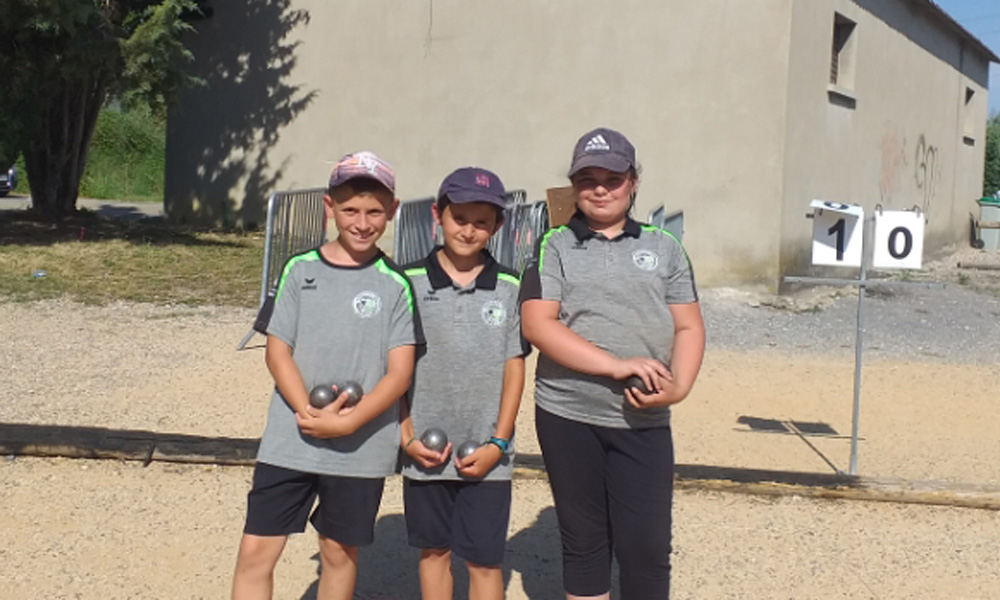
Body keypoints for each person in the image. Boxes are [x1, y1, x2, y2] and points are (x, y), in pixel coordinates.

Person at [520, 128, 705, 600]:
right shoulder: (554, 245)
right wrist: (615, 366)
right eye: (588, 179)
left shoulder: (664, 247)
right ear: (573, 184)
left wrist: (679, 386)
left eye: (613, 179)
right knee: (584, 544)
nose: (600, 189)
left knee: (646, 547)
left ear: (633, 182)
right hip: (568, 414)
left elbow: (688, 326)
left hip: (642, 418)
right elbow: (538, 325)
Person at [231, 151, 422, 600]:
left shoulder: (396, 284)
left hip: (360, 445)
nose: (362, 222)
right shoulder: (299, 269)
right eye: (350, 209)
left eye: (375, 212)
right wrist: (308, 412)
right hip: (291, 437)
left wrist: (349, 422)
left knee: (338, 552)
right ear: (328, 206)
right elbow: (277, 351)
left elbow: (399, 374)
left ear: (392, 210)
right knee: (257, 550)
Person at [399, 167, 528, 600]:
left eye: (481, 222)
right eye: (459, 218)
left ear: (498, 225)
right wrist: (406, 436)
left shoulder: (510, 286)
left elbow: (514, 367)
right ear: (438, 215)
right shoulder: (408, 282)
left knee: (484, 560)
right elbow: (395, 367)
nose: (469, 230)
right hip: (425, 449)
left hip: (488, 451)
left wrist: (499, 442)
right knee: (434, 552)